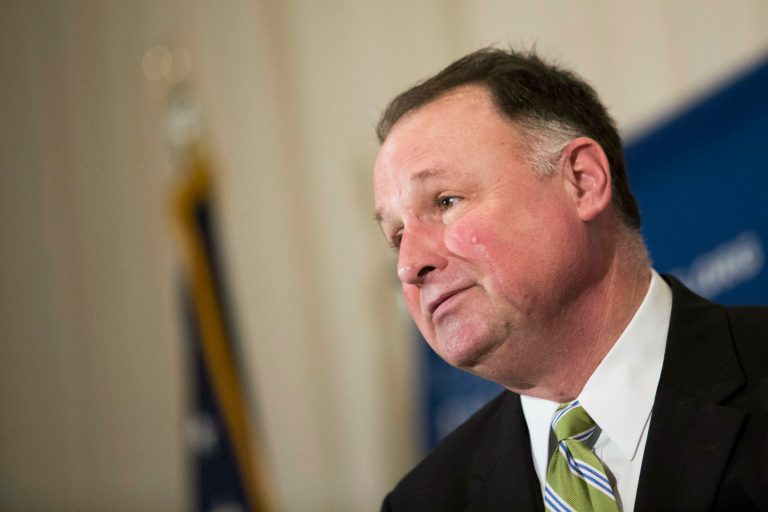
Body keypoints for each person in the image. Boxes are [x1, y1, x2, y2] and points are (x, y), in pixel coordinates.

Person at [373, 48, 768, 511]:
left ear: (582, 181)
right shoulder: (421, 503)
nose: (409, 265)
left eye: (446, 201)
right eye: (397, 236)